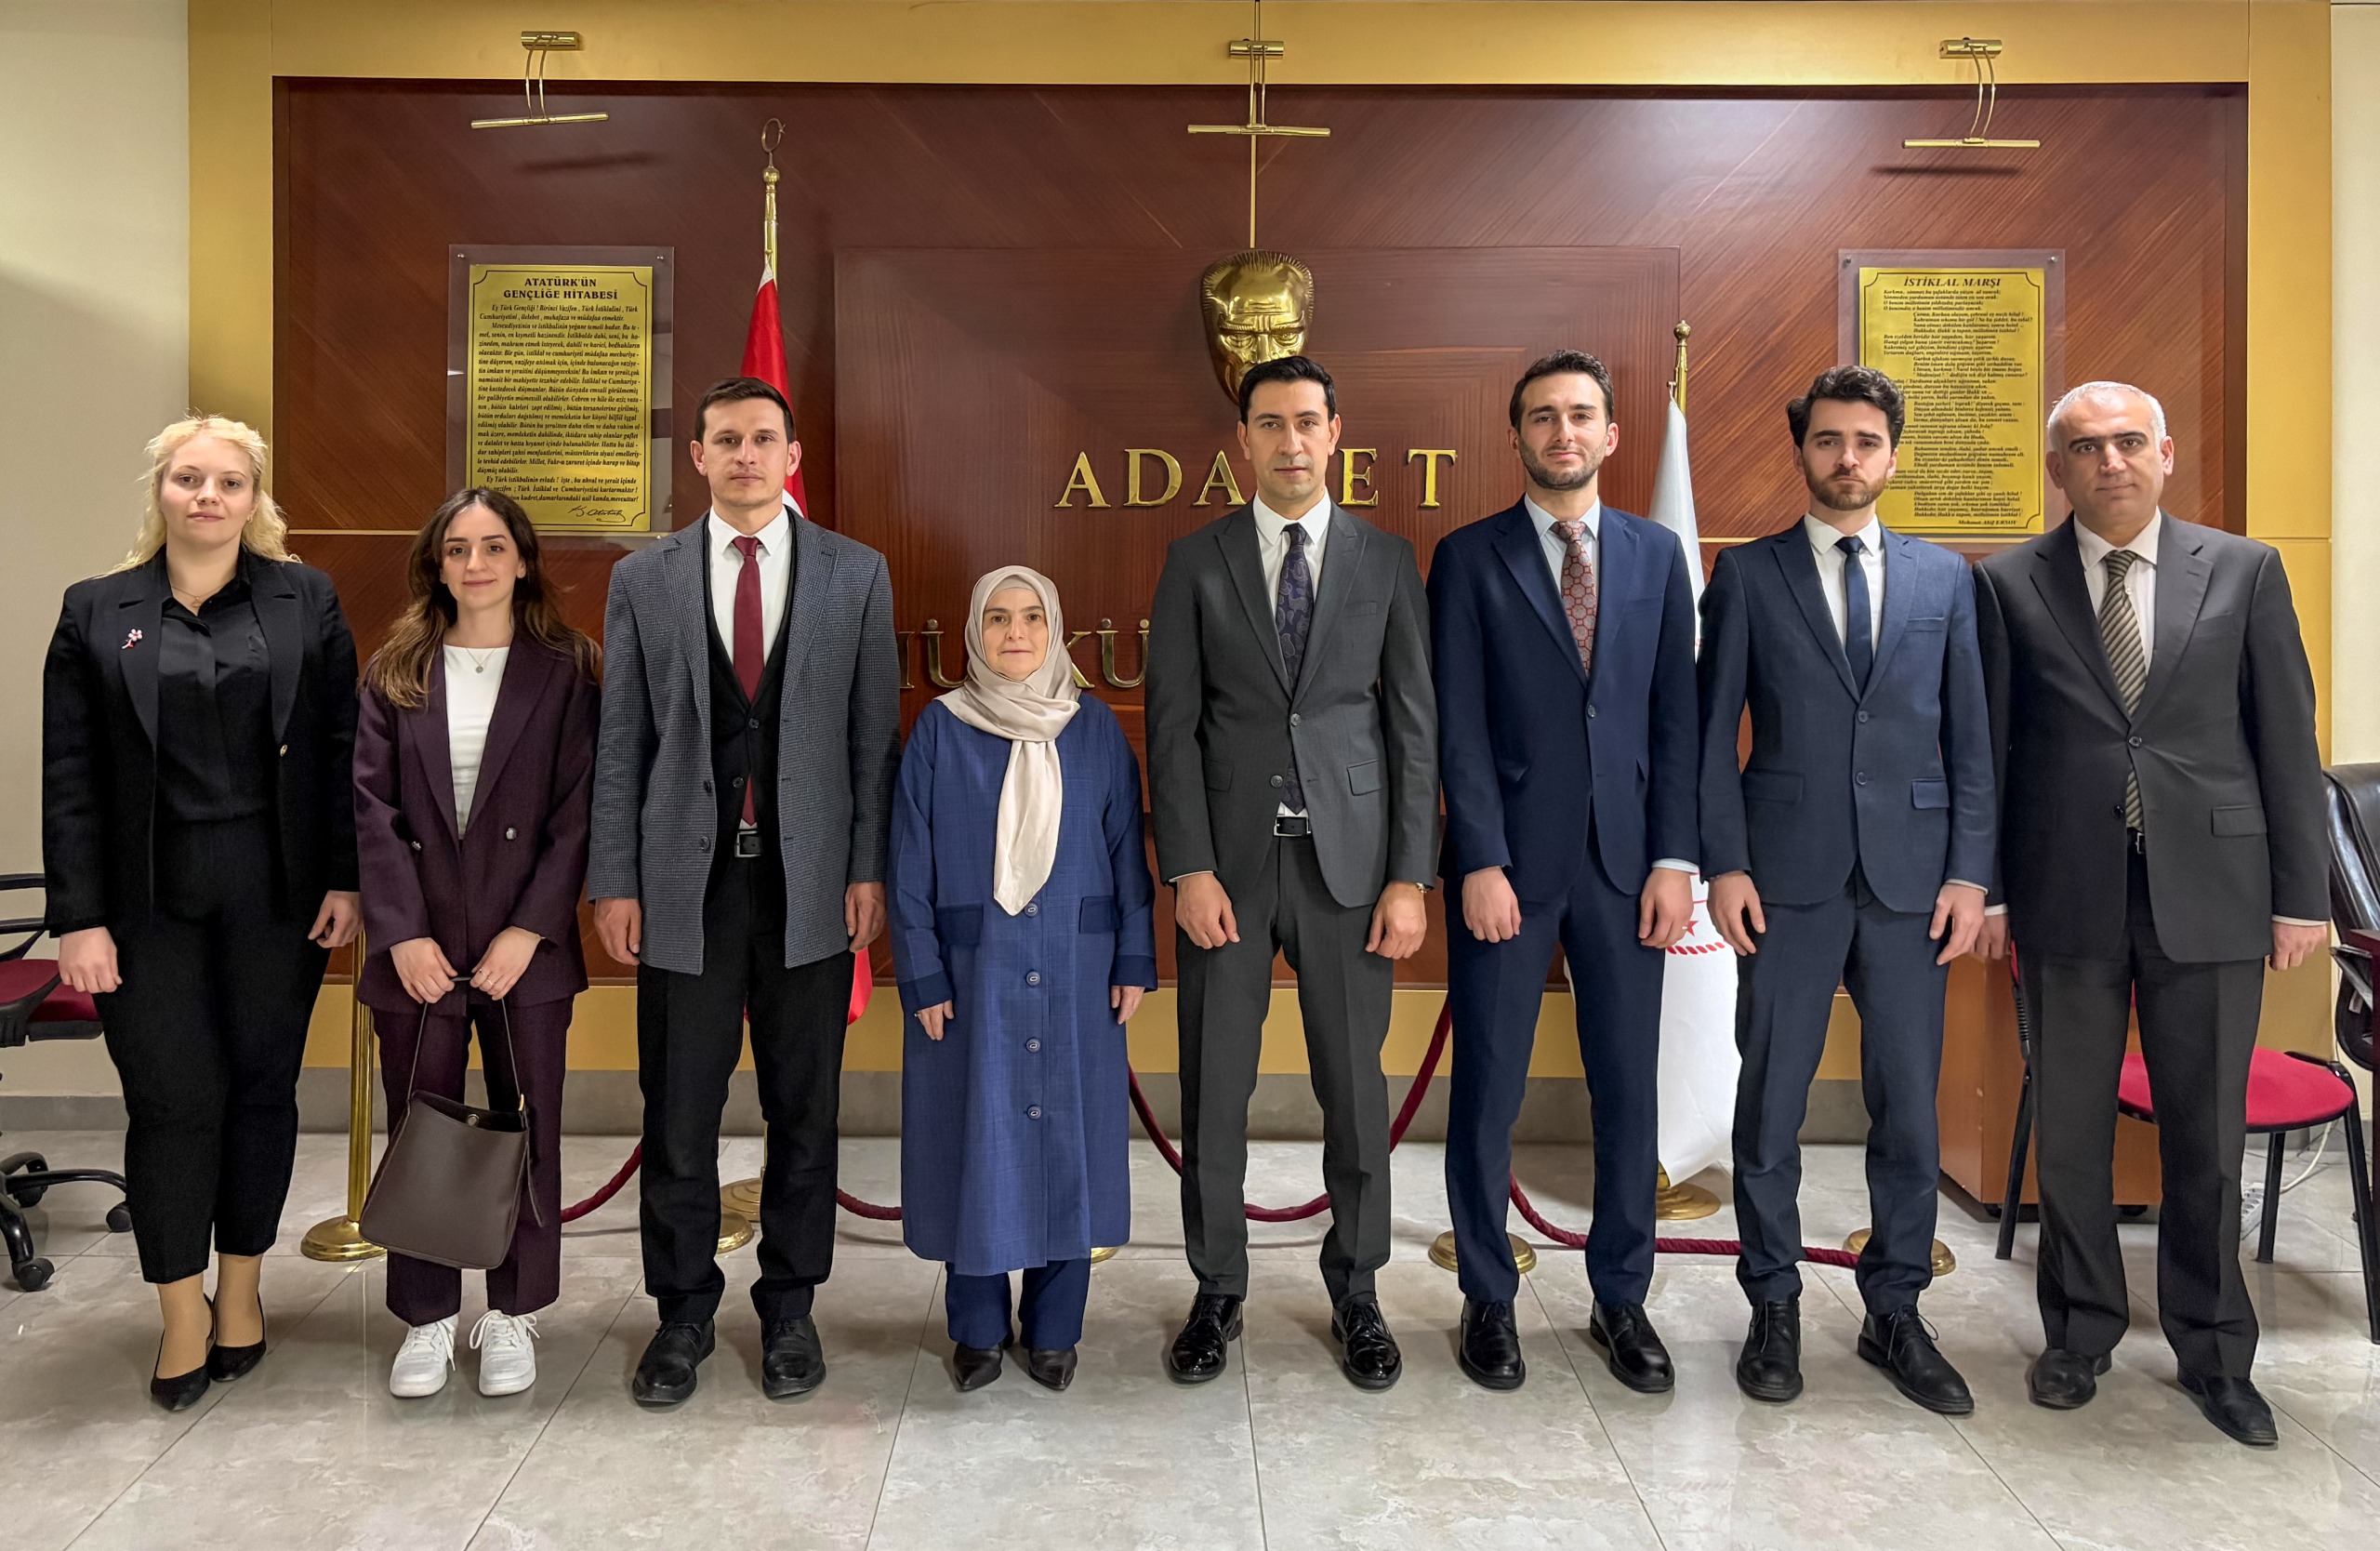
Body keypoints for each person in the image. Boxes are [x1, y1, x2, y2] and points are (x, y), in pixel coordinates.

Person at [1976, 381, 2326, 1449]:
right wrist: (1990, 888)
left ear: (2165, 453)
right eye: (2085, 448)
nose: (2110, 462)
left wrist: (2299, 897)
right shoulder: (2006, 582)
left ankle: (2214, 1351)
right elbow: (1990, 748)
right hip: (2064, 888)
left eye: (2129, 441)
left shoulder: (2245, 570)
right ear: (2057, 470)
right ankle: (2077, 1333)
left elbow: (2286, 742)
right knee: (2072, 1133)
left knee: (2206, 1136)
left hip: (2213, 890)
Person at [589, 376, 902, 1407]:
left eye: (763, 439)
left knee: (803, 1108)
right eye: (725, 440)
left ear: (791, 455)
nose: (745, 456)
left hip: (811, 886)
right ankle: (681, 1313)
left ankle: (790, 1308)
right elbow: (622, 740)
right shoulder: (643, 578)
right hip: (685, 886)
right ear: (698, 457)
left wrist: (867, 867)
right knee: (679, 1111)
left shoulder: (856, 573)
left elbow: (872, 738)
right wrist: (615, 879)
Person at [43, 416, 361, 1410]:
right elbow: (70, 775)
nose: (208, 497)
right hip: (144, 906)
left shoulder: (306, 598)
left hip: (278, 898)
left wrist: (347, 879)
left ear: (255, 497)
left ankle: (242, 1291)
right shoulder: (96, 610)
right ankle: (180, 1309)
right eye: (189, 479)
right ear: (161, 491)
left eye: (228, 482)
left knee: (262, 1092)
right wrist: (77, 918)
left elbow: (341, 750)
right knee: (172, 1101)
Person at [1697, 366, 1992, 1415]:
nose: (1848, 458)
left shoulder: (1945, 579)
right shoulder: (1746, 573)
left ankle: (1895, 1310)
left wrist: (1970, 872)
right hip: (1783, 879)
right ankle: (1772, 1303)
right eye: (1828, 440)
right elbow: (1710, 738)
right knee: (1770, 1103)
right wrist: (1725, 864)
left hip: (1915, 886)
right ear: (1802, 453)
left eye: (1866, 441)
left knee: (1908, 1106)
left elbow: (1973, 740)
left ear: (1892, 455)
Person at [1145, 354, 1436, 1392]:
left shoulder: (1386, 559)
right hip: (1227, 872)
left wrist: (1410, 877)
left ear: (1334, 431)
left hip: (1350, 872)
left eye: (1307, 421)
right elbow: (1171, 728)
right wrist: (1186, 866)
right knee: (1214, 1090)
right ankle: (1216, 1289)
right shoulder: (1196, 559)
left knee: (1354, 1092)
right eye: (1270, 423)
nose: (1290, 441)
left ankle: (1357, 1290)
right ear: (1244, 441)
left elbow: (1413, 728)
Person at [1428, 351, 1698, 1394]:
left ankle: (1620, 1297)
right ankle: (1487, 1295)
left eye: (1581, 414)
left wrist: (1674, 859)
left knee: (1627, 1089)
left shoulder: (1657, 555)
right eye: (1542, 417)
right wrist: (1479, 858)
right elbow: (1457, 723)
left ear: (1612, 434)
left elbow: (1676, 722)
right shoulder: (1467, 557)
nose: (1563, 432)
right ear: (1517, 437)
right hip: (1509, 865)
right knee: (1488, 1086)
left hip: (1629, 867)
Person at [352, 487, 601, 1400]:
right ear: (437, 565)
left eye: (494, 546)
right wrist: (402, 934)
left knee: (530, 1127)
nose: (476, 563)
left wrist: (530, 930)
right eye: (458, 548)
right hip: (417, 948)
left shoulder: (568, 669)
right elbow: (371, 811)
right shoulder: (395, 669)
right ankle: (424, 1316)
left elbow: (577, 813)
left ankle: (513, 1312)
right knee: (420, 1130)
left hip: (523, 946)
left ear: (522, 561)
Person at [888, 566, 1157, 1393]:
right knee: (974, 1143)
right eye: (999, 618)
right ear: (976, 632)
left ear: (1055, 630)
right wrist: (922, 972)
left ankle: (1053, 1329)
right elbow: (909, 865)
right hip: (969, 980)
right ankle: (974, 1329)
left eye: (1033, 617)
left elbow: (1126, 852)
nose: (1016, 633)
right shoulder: (939, 731)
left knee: (1068, 1144)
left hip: (1079, 973)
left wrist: (1134, 957)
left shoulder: (1094, 728)